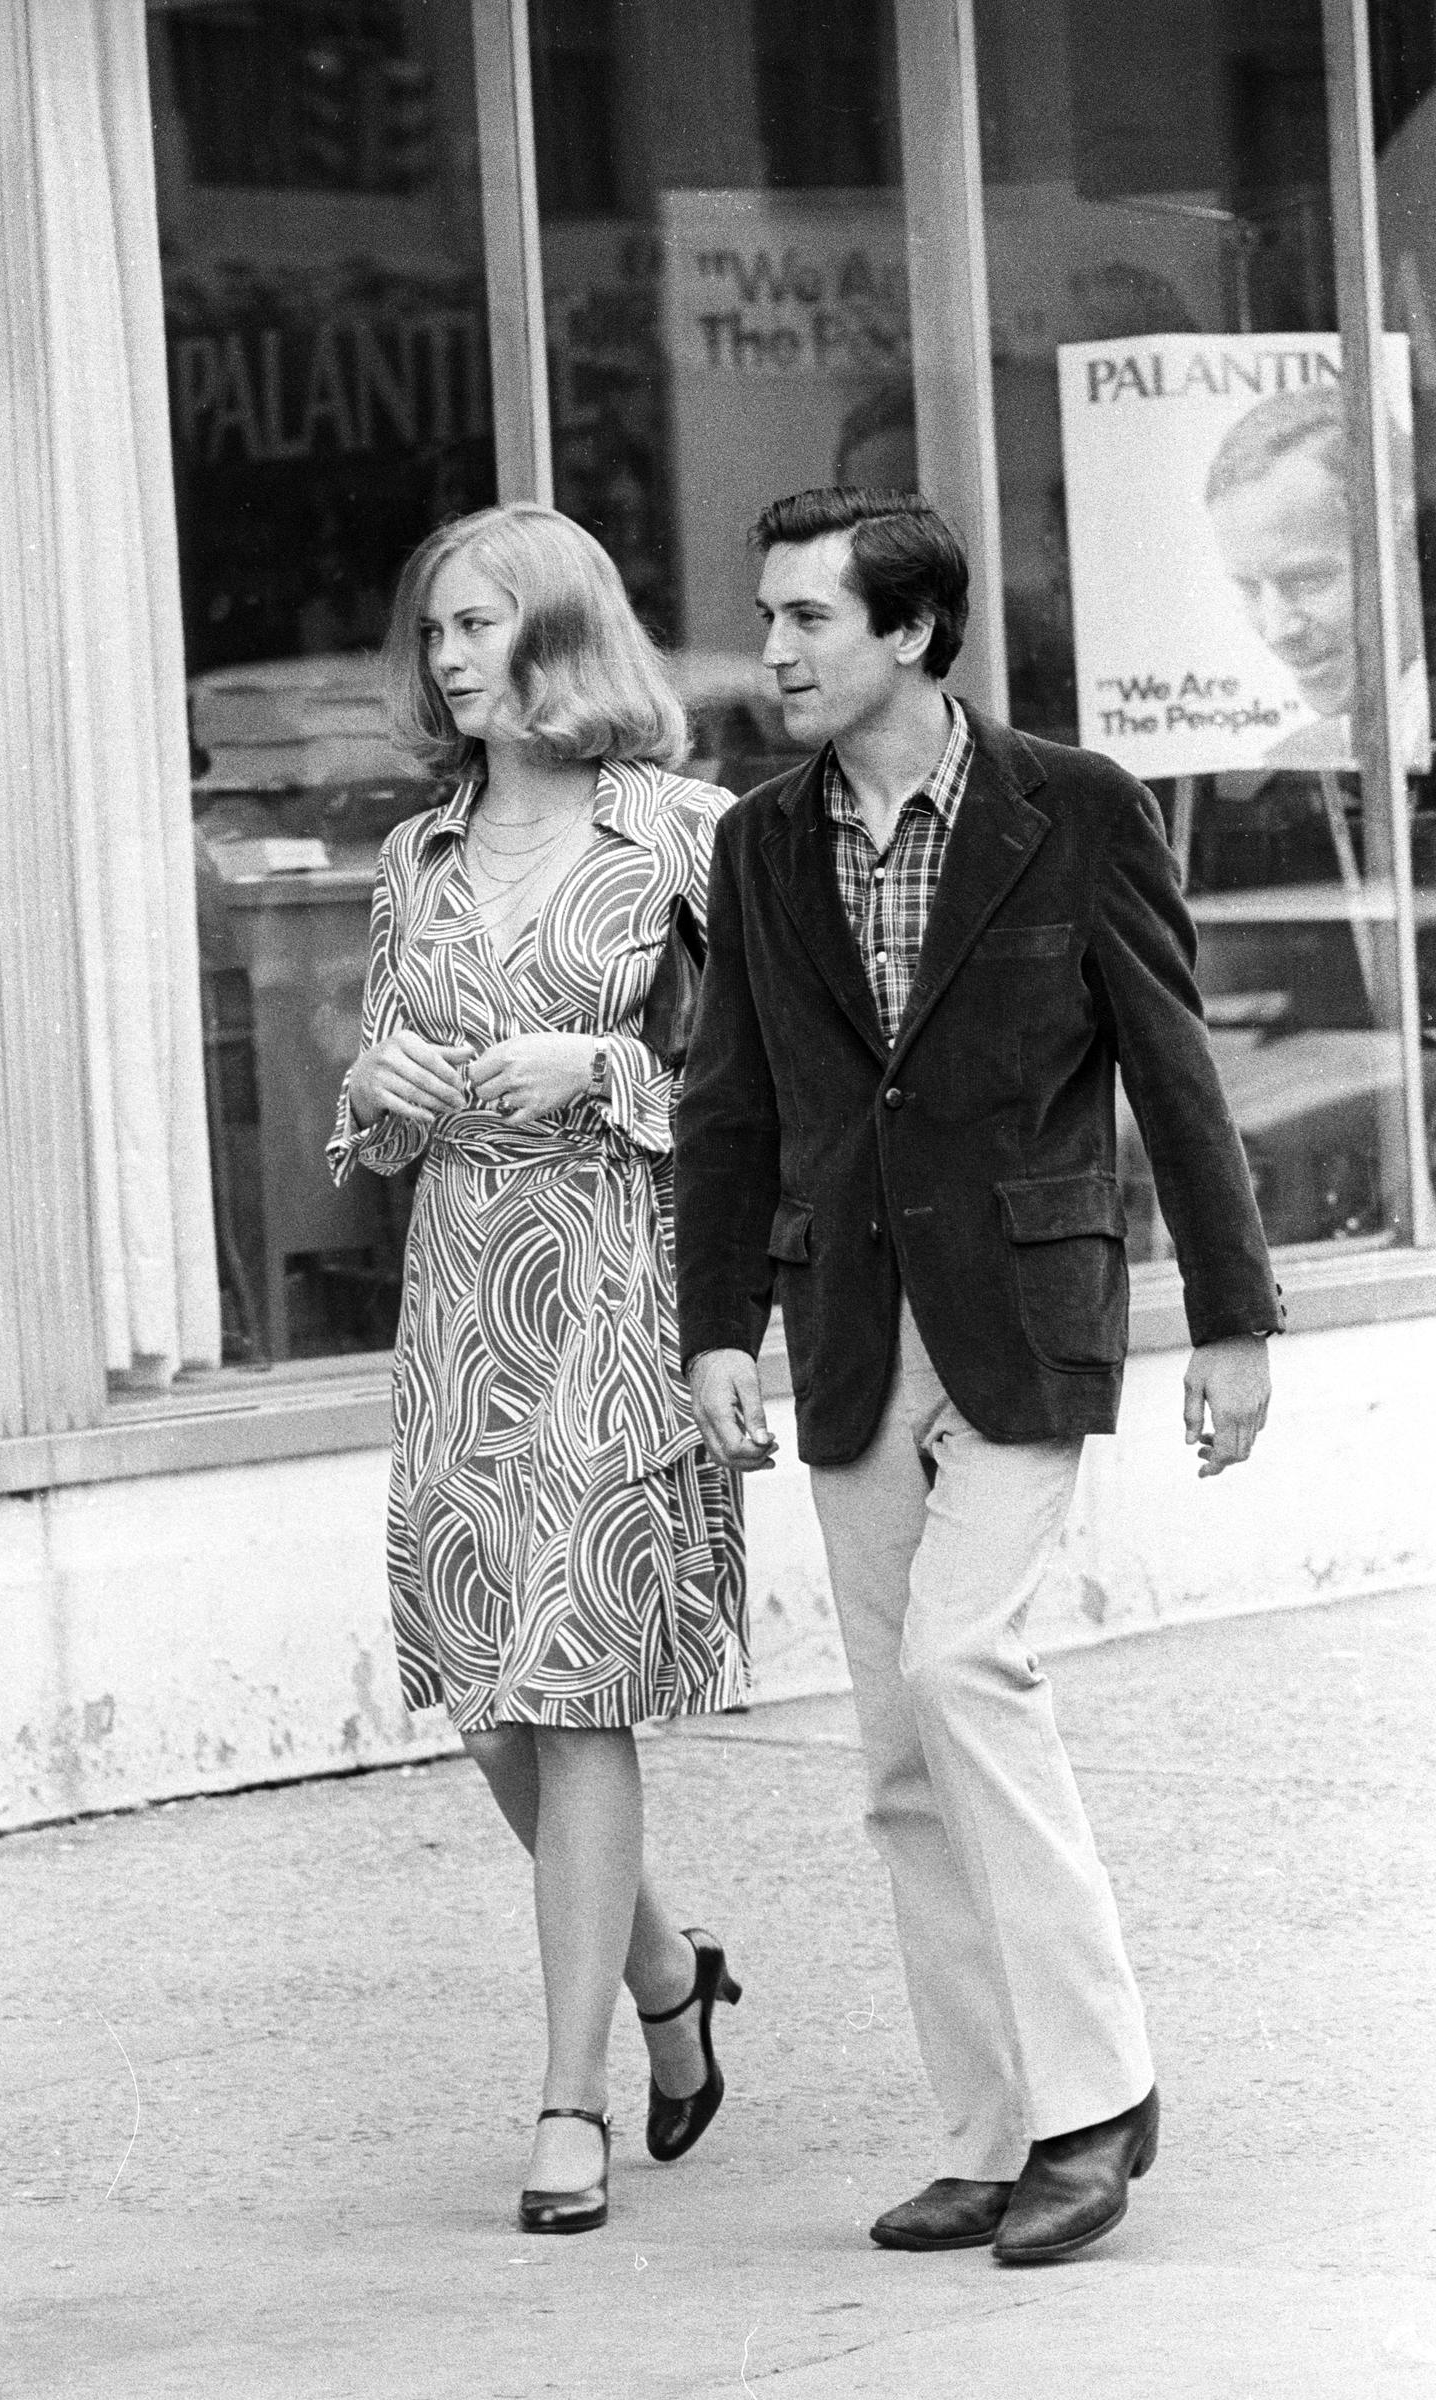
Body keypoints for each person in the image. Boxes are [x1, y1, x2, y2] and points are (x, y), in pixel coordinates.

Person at [674, 486, 1282, 2266]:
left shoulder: (1072, 810)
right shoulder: (763, 842)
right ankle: (991, 2126)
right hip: (848, 1325)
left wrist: (1233, 1324)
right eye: (772, 617)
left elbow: (1172, 1070)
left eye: (809, 620)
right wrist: (722, 1324)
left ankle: (1094, 2103)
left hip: (1027, 1313)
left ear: (916, 635)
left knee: (965, 1665)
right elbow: (732, 1106)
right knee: (894, 1752)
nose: (775, 650)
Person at [329, 502, 745, 2237]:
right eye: (433, 631)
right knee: (488, 1698)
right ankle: (664, 1971)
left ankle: (570, 2099)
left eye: (479, 623)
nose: (448, 657)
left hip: (620, 1282)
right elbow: (367, 1088)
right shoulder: (414, 855)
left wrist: (605, 1064)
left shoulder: (685, 834)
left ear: (560, 629)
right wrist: (388, 1094)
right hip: (457, 1303)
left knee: (574, 1678)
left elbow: (758, 1091)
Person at [1204, 383, 1430, 771]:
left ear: (1404, 544)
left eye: (1307, 580)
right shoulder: (1296, 761)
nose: (1278, 630)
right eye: (1249, 588)